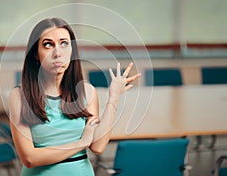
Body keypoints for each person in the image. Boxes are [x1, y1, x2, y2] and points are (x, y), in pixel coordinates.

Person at [8, 17, 141, 176]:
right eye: (48, 44)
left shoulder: (87, 91)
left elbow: (97, 146)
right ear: (36, 53)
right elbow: (29, 158)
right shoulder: (19, 96)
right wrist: (81, 143)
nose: (58, 53)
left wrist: (113, 98)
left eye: (64, 43)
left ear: (72, 51)